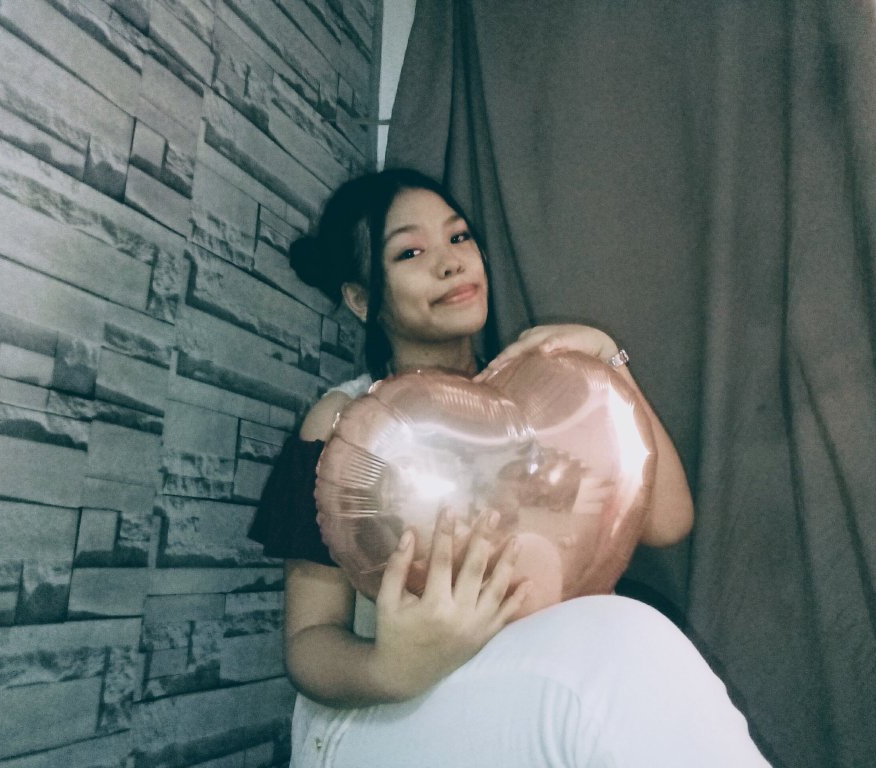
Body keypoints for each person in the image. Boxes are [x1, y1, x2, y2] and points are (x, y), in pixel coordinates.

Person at [248, 169, 770, 766]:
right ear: (362, 299)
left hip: (525, 681)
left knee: (626, 646)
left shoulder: (544, 402)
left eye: (459, 237)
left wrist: (608, 359)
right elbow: (308, 643)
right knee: (626, 642)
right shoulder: (345, 421)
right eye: (411, 252)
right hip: (378, 713)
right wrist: (392, 668)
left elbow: (668, 521)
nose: (450, 262)